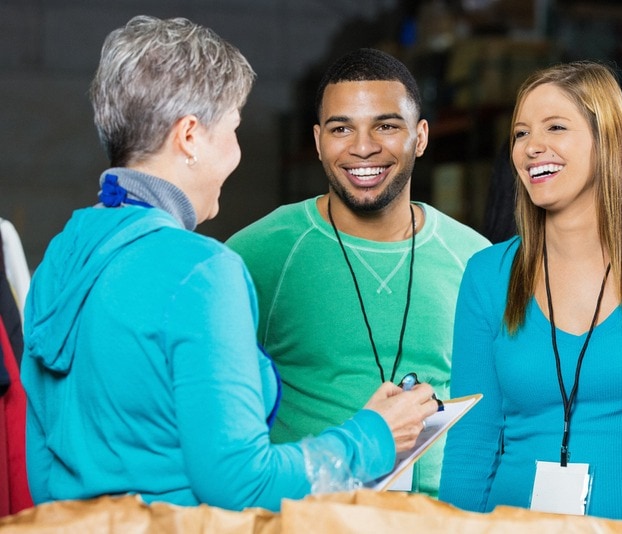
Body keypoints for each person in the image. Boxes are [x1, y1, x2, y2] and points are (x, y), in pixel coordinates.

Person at [20, 16, 438, 513]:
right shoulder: (202, 272)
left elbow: (42, 474)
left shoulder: (62, 260)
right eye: (233, 129)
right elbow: (241, 483)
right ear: (191, 136)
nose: (237, 153)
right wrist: (374, 437)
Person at [438, 61, 622, 524]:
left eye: (555, 127)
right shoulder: (488, 274)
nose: (533, 147)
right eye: (520, 134)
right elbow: (472, 440)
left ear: (607, 141)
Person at [226, 48, 489, 497]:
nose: (363, 147)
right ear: (317, 140)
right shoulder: (256, 255)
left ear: (421, 136)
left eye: (385, 126)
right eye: (341, 128)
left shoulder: (475, 258)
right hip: (307, 521)